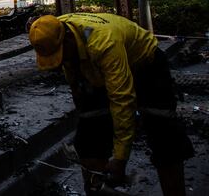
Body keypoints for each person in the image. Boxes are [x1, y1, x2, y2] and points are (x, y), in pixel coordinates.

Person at [28, 13, 193, 196]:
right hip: (93, 66)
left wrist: (120, 159)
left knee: (164, 135)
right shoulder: (56, 29)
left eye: (61, 56)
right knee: (89, 138)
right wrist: (84, 111)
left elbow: (122, 100)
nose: (61, 63)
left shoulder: (104, 43)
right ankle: (97, 185)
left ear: (67, 39)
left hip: (145, 64)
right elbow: (74, 79)